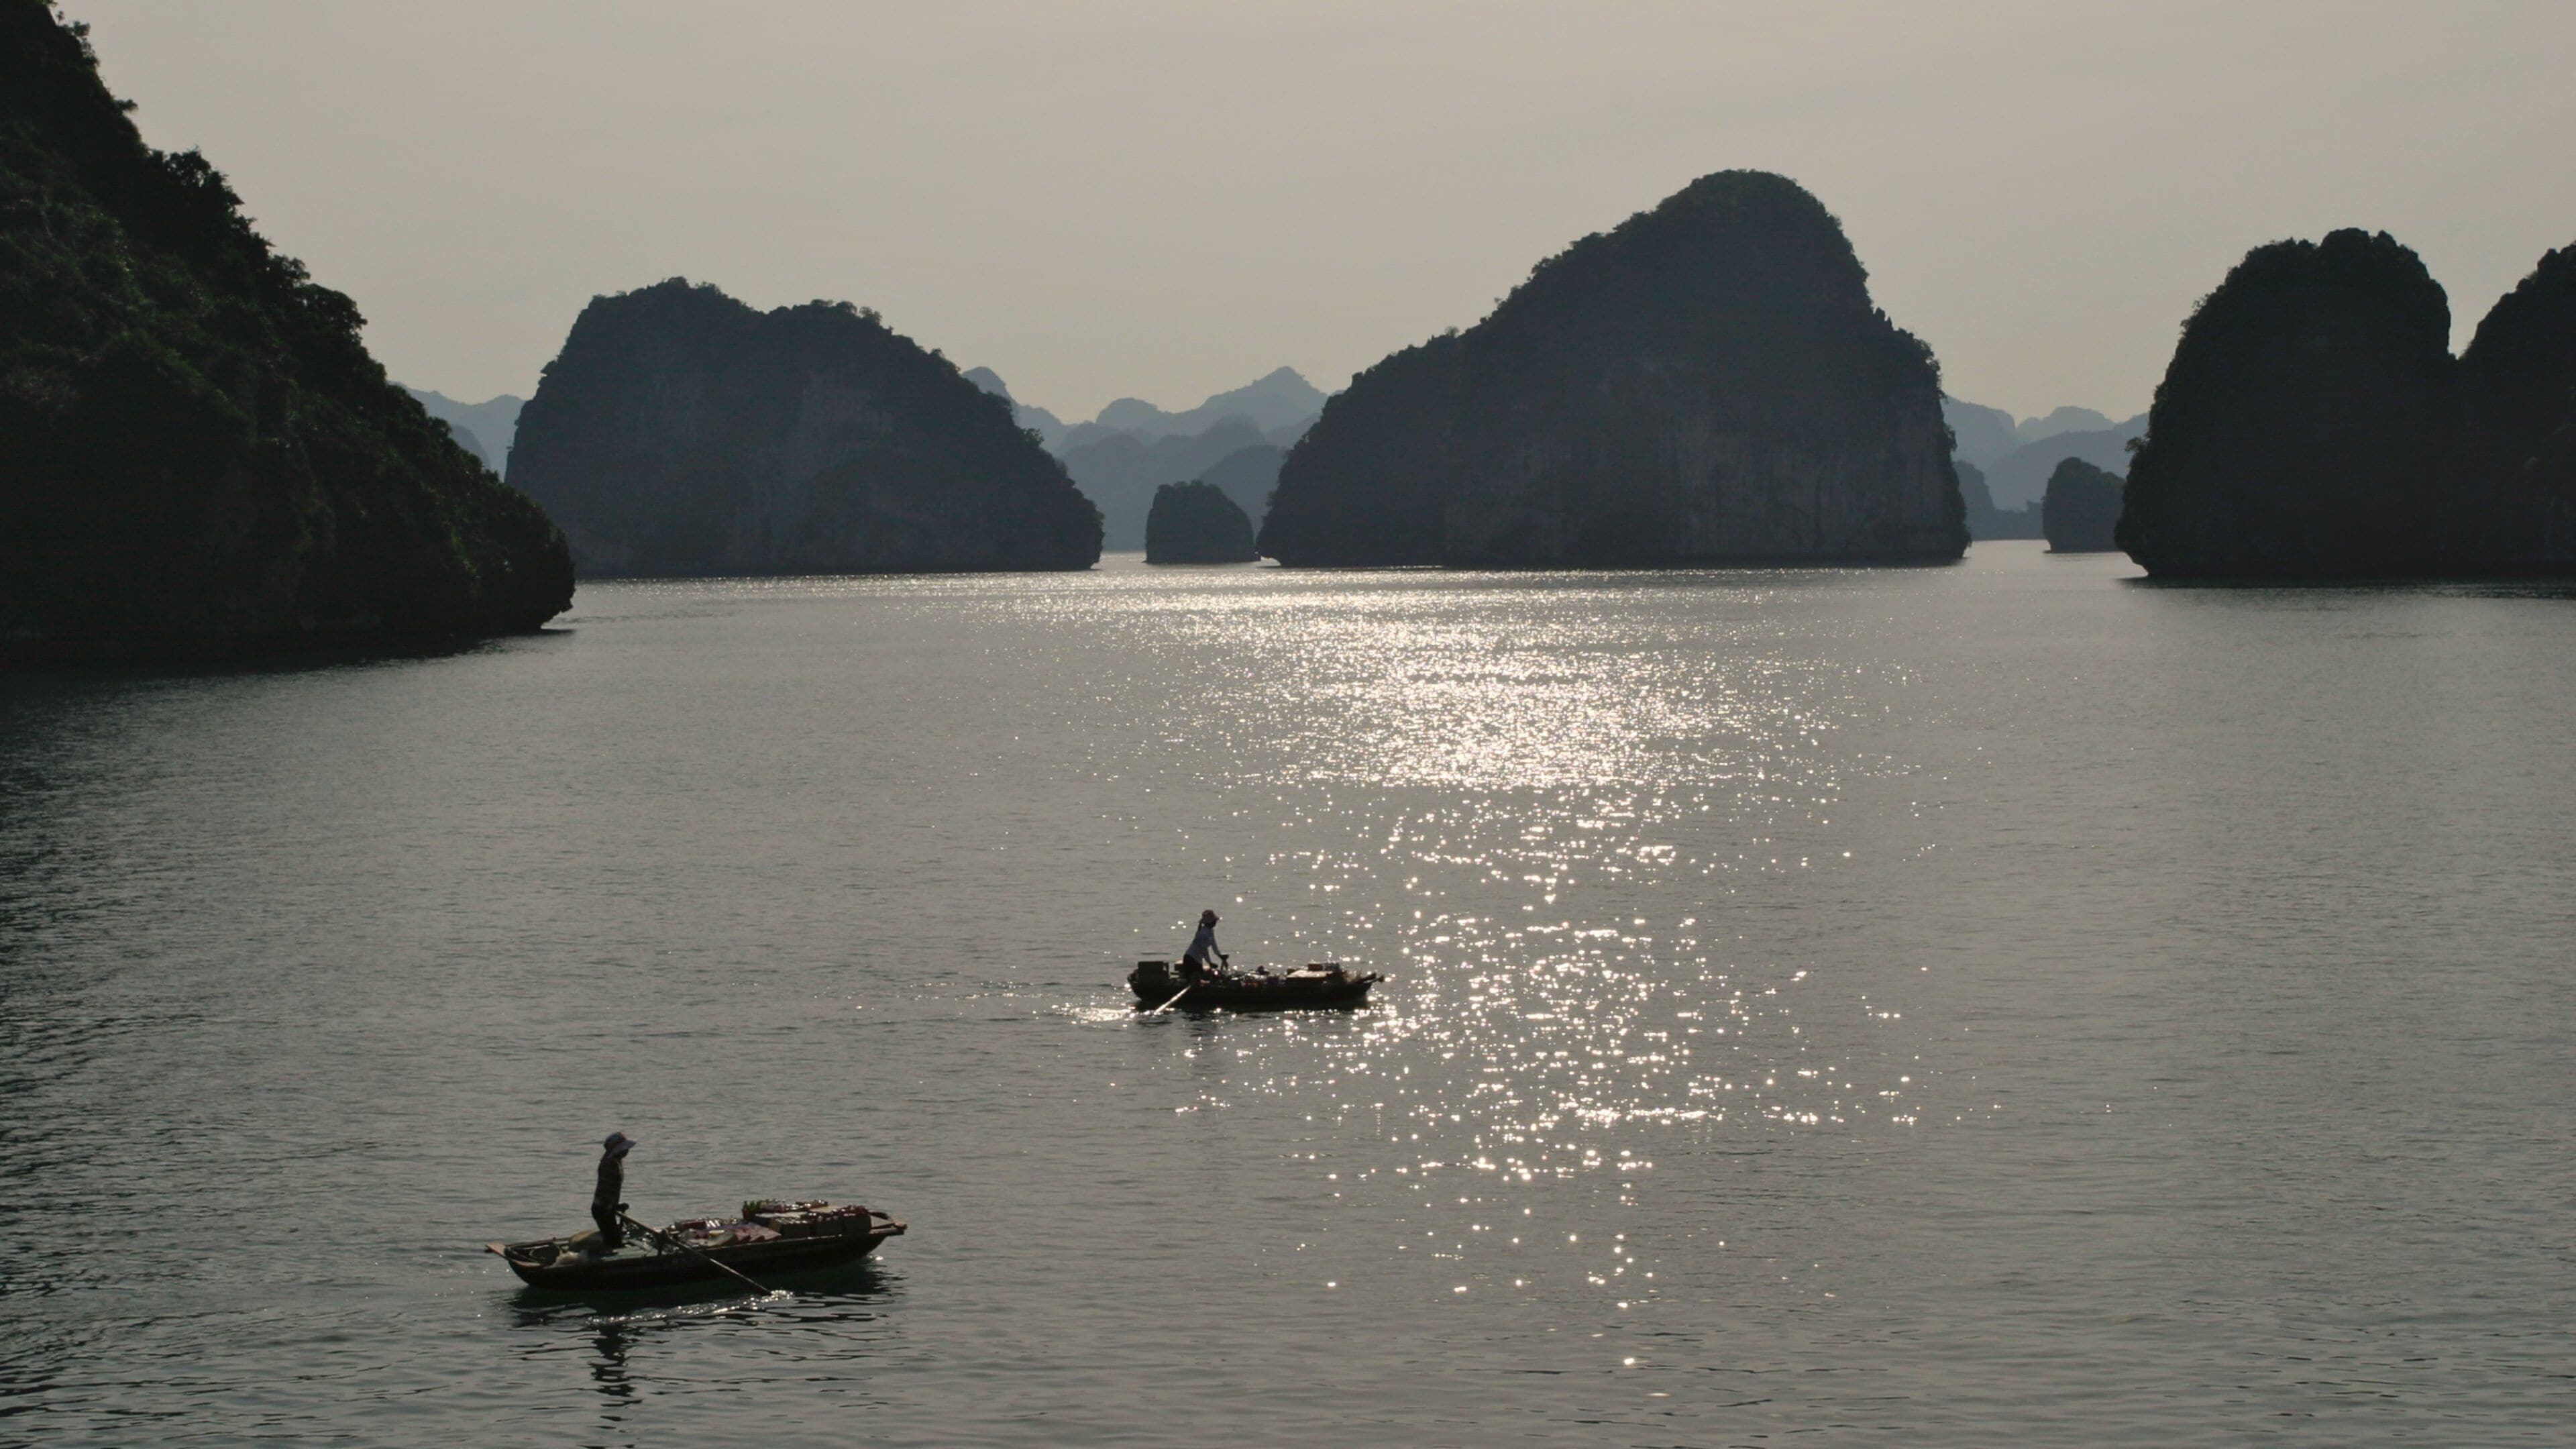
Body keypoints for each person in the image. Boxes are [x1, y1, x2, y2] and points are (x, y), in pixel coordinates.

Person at [591, 1132, 635, 1252]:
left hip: (605, 1207)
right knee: (614, 1243)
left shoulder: (614, 1161)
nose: (627, 1151)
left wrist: (616, 1206)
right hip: (603, 1208)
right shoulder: (610, 1164)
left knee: (613, 1239)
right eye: (624, 1149)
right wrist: (611, 1207)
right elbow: (607, 1189)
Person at [1181, 909, 1229, 978]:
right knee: (1198, 978)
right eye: (1214, 921)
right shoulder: (1203, 933)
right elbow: (1204, 950)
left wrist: (1220, 955)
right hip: (1191, 959)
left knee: (1202, 976)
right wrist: (1210, 963)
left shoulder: (1210, 931)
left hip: (1197, 959)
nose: (1215, 922)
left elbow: (1214, 946)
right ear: (1210, 922)